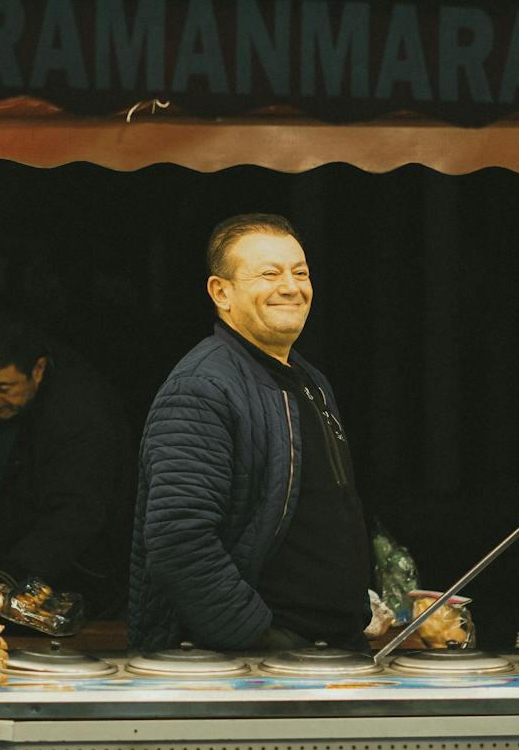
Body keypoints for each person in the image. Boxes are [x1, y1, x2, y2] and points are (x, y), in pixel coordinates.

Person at [129, 213, 371, 651]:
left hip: (327, 653)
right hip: (255, 666)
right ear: (221, 292)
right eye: (269, 273)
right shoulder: (202, 386)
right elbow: (179, 542)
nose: (291, 286)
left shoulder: (310, 379)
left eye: (300, 273)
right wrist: (259, 640)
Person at [0, 317, 133, 616]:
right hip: (9, 559)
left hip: (78, 577)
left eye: (2, 388)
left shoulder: (81, 414)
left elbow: (77, 511)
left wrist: (13, 573)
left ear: (38, 370)